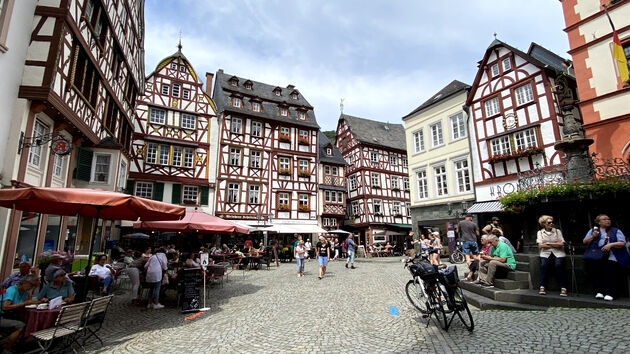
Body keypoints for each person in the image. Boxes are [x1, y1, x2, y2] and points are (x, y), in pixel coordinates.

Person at [583, 214, 630, 301]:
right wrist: (593, 236)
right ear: (598, 222)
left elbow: (622, 243)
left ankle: (610, 293)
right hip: (597, 256)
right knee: (596, 272)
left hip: (612, 256)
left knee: (609, 272)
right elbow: (585, 242)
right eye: (604, 219)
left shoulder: (616, 231)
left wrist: (611, 244)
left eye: (608, 219)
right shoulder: (593, 231)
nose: (607, 220)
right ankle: (599, 291)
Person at [1, 275, 41, 351]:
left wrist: (40, 301)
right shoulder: (12, 290)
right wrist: (23, 304)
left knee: (27, 322)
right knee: (20, 326)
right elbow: (5, 307)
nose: (31, 288)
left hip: (12, 315)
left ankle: (16, 345)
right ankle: (6, 349)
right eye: (31, 285)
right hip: (2, 316)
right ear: (25, 282)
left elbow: (28, 302)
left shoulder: (24, 292)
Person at [536, 215, 567, 297]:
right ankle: (542, 286)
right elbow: (540, 245)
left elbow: (561, 244)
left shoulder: (557, 231)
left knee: (559, 265)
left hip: (558, 252)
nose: (551, 224)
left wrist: (548, 244)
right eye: (549, 222)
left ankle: (563, 287)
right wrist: (555, 244)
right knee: (544, 266)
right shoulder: (540, 232)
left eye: (552, 222)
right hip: (545, 253)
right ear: (544, 224)